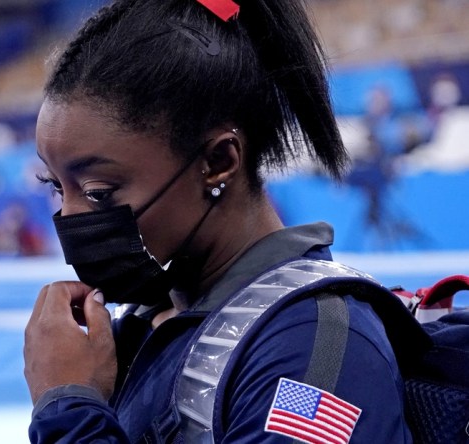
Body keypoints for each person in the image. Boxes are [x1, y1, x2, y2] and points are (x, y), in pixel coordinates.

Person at [23, 0, 412, 443]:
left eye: (98, 193)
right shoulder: (146, 326)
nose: (69, 217)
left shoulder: (314, 352)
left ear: (218, 161)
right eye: (55, 185)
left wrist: (68, 406)